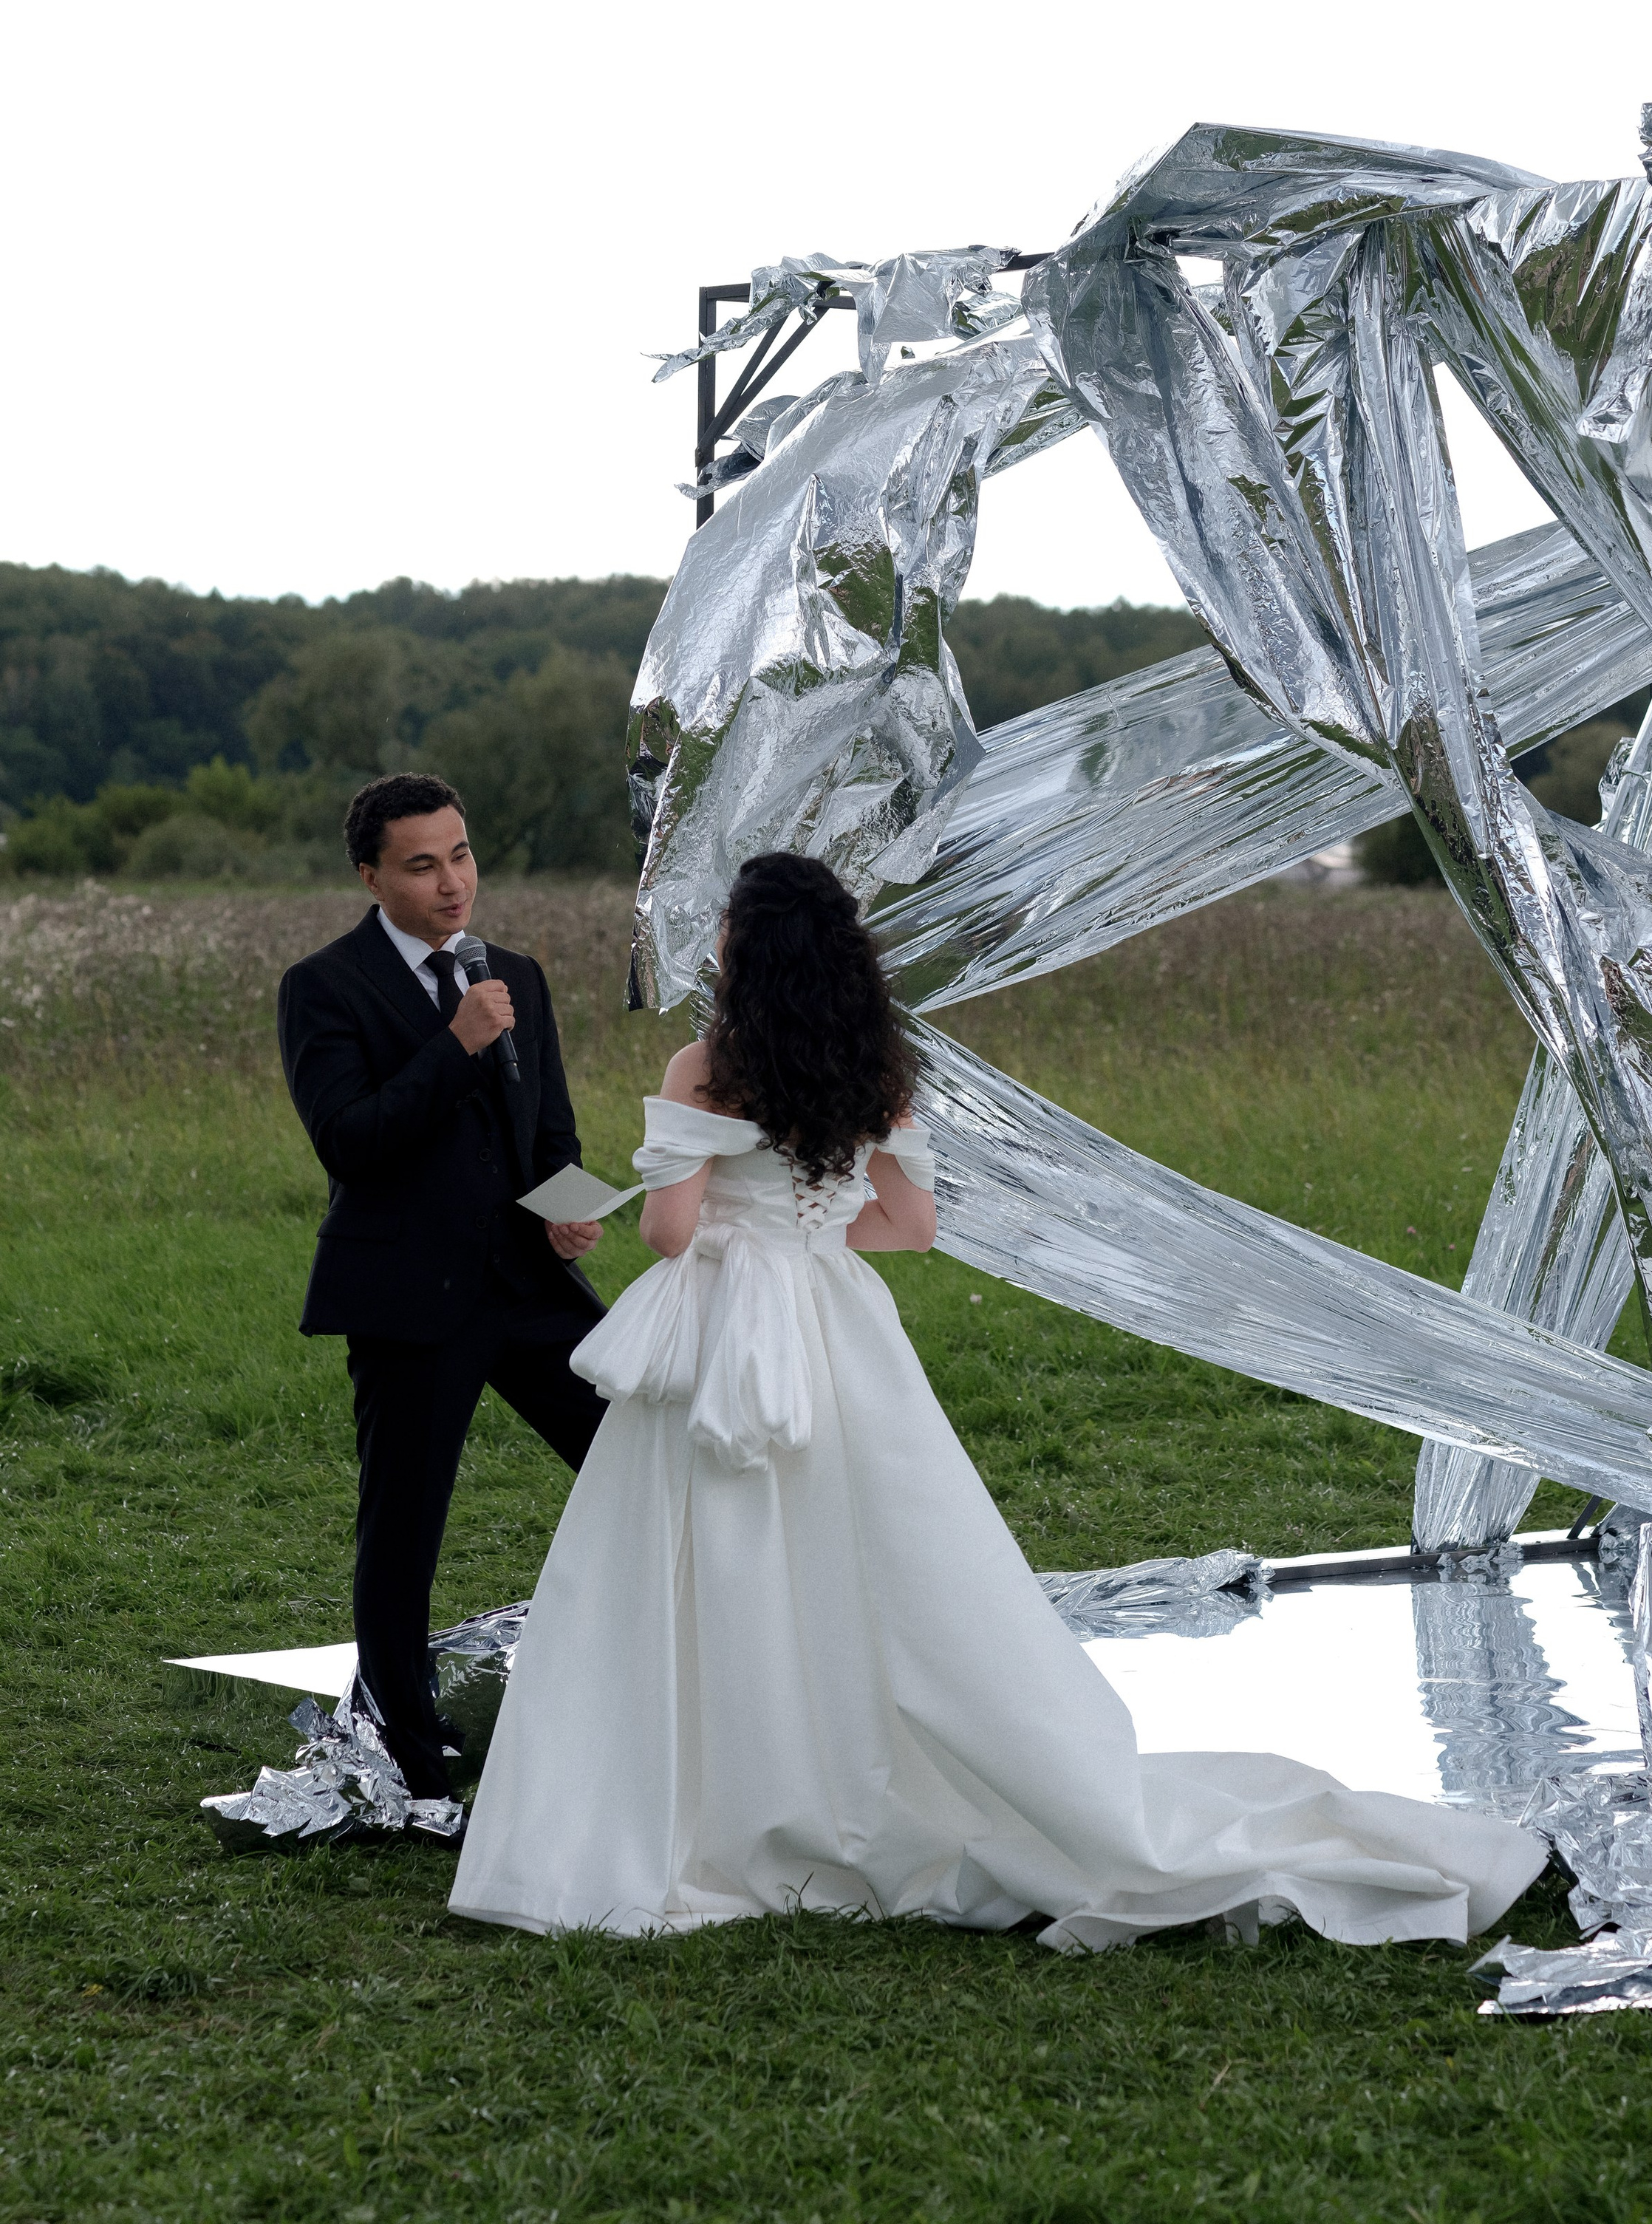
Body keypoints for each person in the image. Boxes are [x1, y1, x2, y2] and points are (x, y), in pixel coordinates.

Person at [450, 850, 1544, 1949]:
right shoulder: (878, 1064)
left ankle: (716, 1794)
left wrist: (702, 1214)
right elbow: (911, 1228)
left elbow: (670, 1233)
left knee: (704, 1557)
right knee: (871, 1555)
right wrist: (813, 1234)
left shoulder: (704, 1064)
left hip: (725, 1337)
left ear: (746, 948)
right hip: (835, 1326)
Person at [277, 771, 610, 1818]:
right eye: (422, 864)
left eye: (460, 854)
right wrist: (453, 1045)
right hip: (410, 1297)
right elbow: (351, 1142)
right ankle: (410, 1747)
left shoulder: (515, 974)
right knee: (405, 1523)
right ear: (371, 874)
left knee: (645, 1443)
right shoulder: (323, 988)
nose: (451, 881)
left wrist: (567, 1207)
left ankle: (657, 1678)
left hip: (529, 1285)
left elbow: (548, 1131)